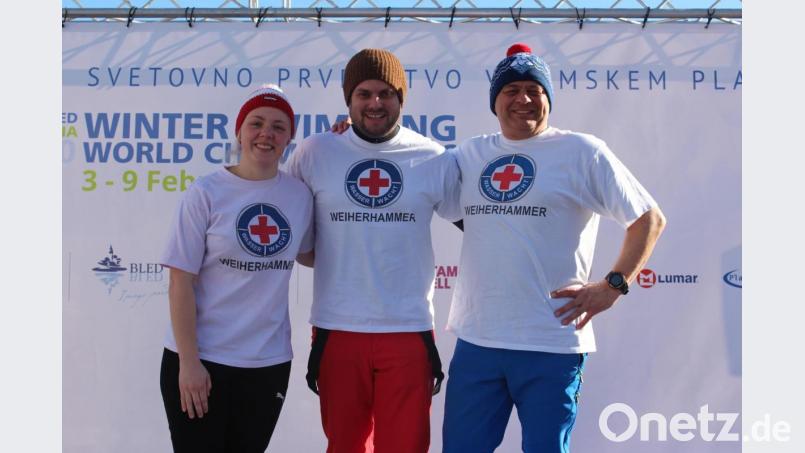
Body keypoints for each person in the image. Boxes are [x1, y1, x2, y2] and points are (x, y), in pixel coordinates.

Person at [441, 43, 667, 453]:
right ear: (495, 100)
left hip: (551, 343)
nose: (523, 99)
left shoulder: (582, 152)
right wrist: (349, 133)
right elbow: (402, 163)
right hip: (479, 342)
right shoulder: (469, 155)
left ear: (548, 98)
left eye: (534, 89)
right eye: (511, 90)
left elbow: (648, 219)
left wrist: (614, 284)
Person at [286, 48, 460, 453]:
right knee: (345, 445)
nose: (375, 103)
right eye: (363, 93)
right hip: (337, 327)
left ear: (401, 98)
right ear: (349, 99)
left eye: (386, 93)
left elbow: (484, 223)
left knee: (406, 446)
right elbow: (289, 228)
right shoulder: (315, 152)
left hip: (407, 328)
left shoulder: (433, 157)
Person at [159, 85, 313, 453]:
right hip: (202, 361)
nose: (266, 134)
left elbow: (310, 254)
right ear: (239, 131)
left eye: (278, 127)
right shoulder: (207, 192)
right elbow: (180, 281)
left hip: (267, 363)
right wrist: (189, 363)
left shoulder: (299, 195)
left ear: (290, 138)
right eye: (256, 123)